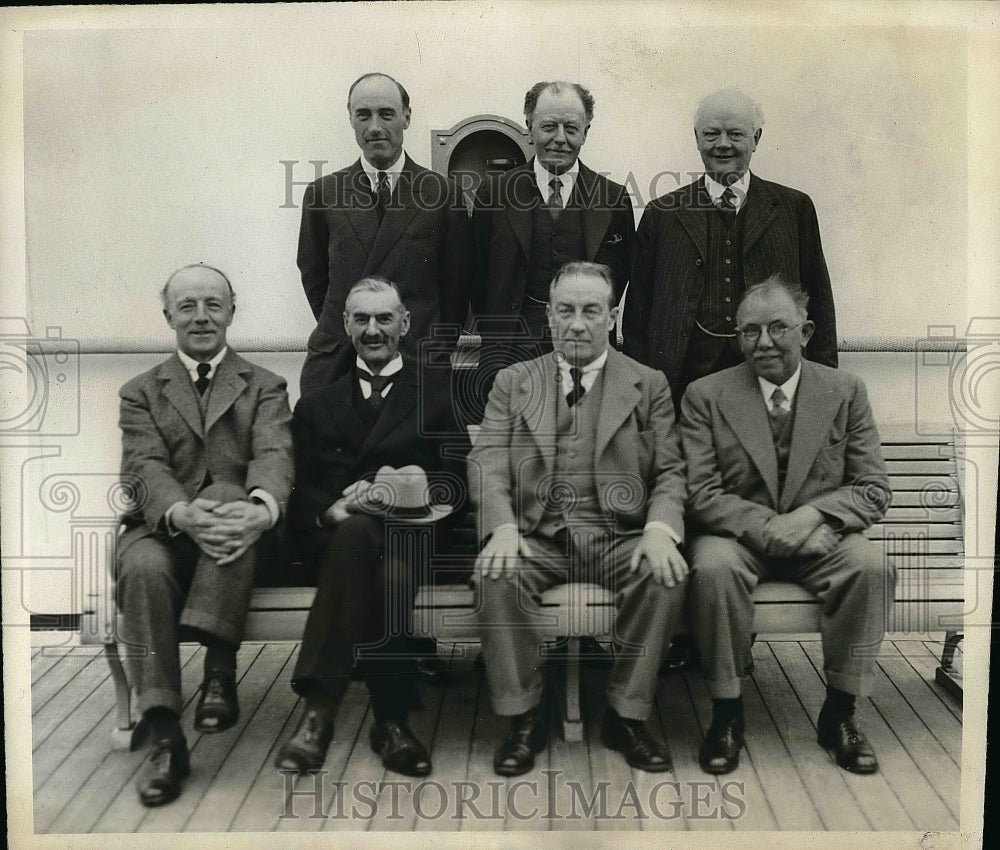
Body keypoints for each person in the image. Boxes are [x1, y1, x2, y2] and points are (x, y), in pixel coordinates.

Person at [469, 261, 688, 776]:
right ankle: (524, 717)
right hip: (536, 537)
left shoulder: (647, 384)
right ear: (548, 316)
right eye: (565, 310)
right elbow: (487, 461)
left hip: (619, 537)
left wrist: (659, 531)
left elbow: (673, 471)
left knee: (665, 576)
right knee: (493, 575)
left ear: (611, 317)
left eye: (591, 311)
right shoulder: (513, 381)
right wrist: (501, 525)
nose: (577, 324)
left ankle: (626, 714)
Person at [679, 275, 895, 776]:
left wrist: (812, 516)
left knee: (870, 564)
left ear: (807, 330)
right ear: (738, 338)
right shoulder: (705, 396)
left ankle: (840, 714)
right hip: (737, 539)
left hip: (819, 536)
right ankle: (727, 714)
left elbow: (872, 488)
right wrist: (772, 528)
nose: (765, 342)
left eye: (779, 328)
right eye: (750, 331)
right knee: (711, 568)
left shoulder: (844, 391)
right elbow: (700, 493)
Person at [274, 278, 469, 777]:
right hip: (344, 541)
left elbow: (459, 479)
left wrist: (408, 486)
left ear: (405, 324)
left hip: (416, 530)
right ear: (345, 325)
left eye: (384, 318)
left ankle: (319, 713)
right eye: (361, 319)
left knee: (382, 547)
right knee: (370, 551)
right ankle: (392, 721)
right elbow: (302, 487)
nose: (373, 329)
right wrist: (332, 512)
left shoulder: (437, 389)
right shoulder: (318, 402)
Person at [117, 264, 294, 806]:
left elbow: (274, 455)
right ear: (167, 314)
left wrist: (264, 509)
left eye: (213, 305)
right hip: (164, 529)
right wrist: (179, 512)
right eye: (188, 305)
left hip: (243, 536)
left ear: (232, 311)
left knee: (230, 498)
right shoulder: (140, 391)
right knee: (143, 566)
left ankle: (219, 671)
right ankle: (167, 734)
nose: (201, 317)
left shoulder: (265, 385)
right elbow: (142, 467)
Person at [624, 88, 838, 408]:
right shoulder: (662, 214)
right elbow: (637, 318)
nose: (723, 144)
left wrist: (824, 387)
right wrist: (640, 396)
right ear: (697, 137)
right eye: (711, 134)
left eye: (735, 134)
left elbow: (818, 303)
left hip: (772, 383)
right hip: (681, 389)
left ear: (756, 138)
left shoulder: (794, 209)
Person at [467, 80, 634, 424]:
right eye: (548, 126)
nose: (560, 138)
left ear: (586, 132)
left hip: (585, 348)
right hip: (510, 350)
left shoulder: (613, 198)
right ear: (529, 127)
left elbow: (622, 274)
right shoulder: (493, 193)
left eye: (571, 128)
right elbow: (476, 274)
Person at [296, 72, 472, 394]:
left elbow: (457, 286)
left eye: (386, 114)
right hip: (339, 364)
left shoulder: (442, 194)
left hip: (417, 363)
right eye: (363, 115)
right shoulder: (324, 193)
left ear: (406, 117)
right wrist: (347, 329)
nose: (375, 127)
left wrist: (433, 345)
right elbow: (314, 275)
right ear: (350, 118)